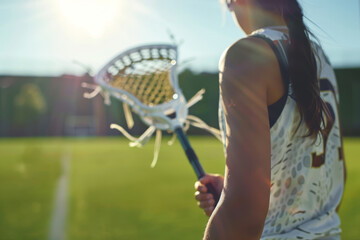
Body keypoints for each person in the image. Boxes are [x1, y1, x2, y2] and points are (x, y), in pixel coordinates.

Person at [194, 0, 347, 239]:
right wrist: (235, 188)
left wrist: (237, 199)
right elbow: (332, 178)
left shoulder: (246, 54)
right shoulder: (320, 56)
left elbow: (243, 211)